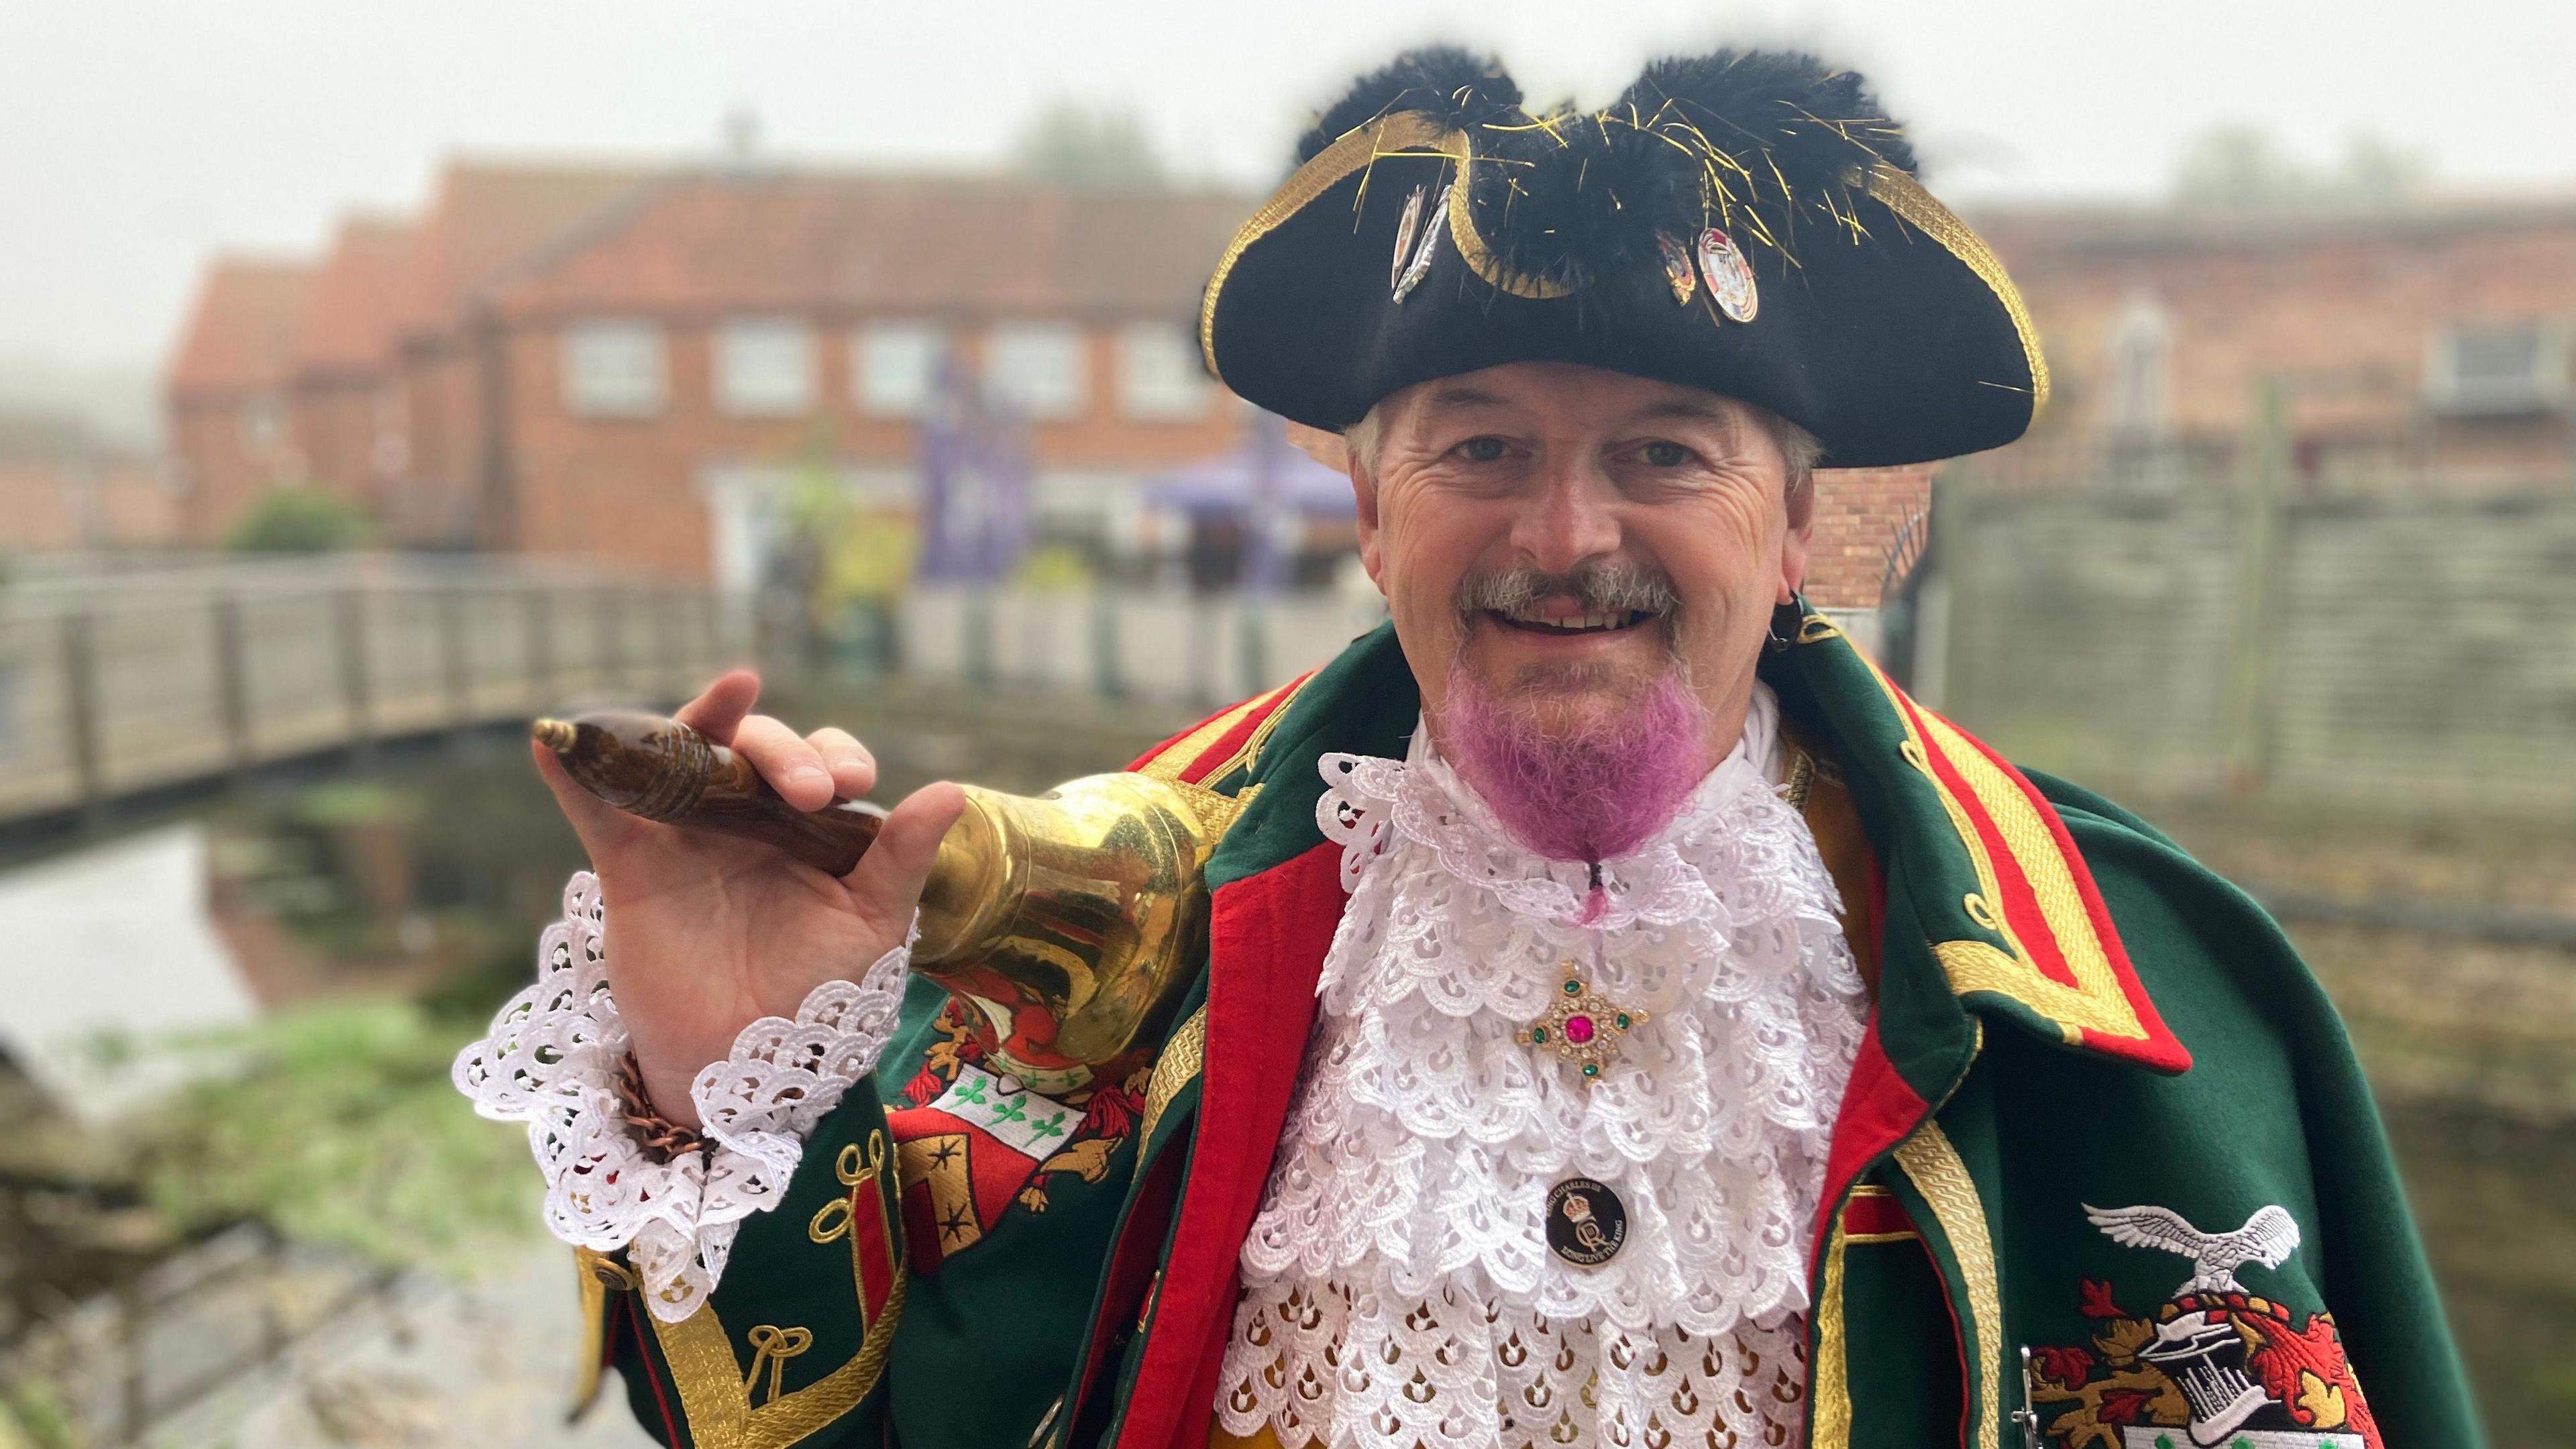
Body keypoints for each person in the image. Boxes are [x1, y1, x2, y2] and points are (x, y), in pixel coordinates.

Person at [457, 46, 2481, 1449]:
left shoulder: (2133, 999)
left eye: (1663, 458)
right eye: (1482, 448)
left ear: (1800, 533)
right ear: (1369, 514)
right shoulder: (1114, 923)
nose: (1567, 534)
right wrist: (730, 1084)